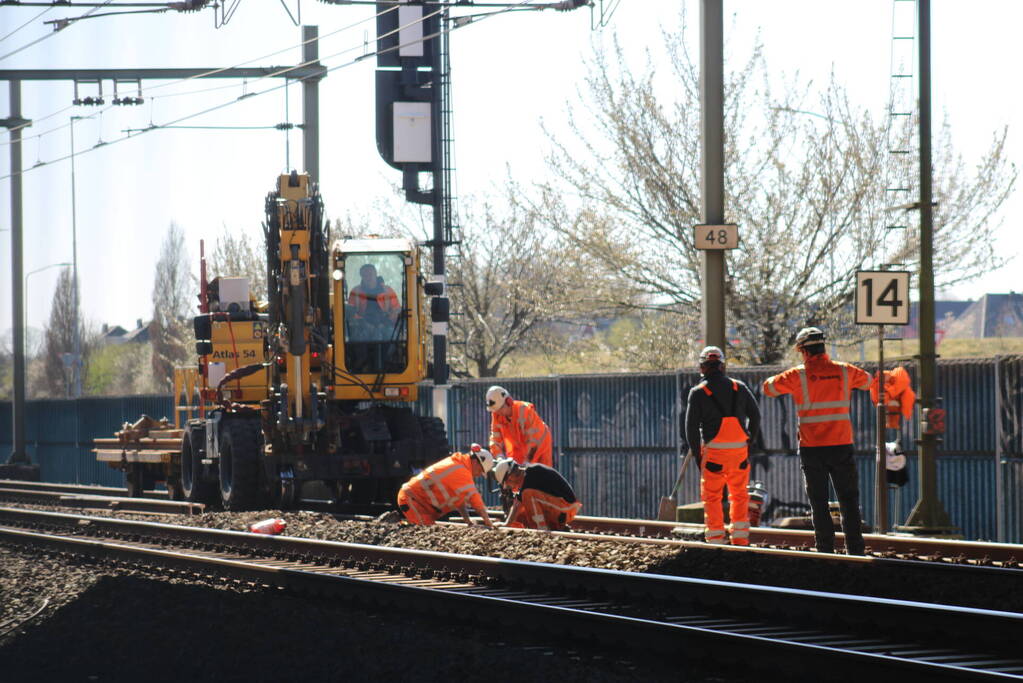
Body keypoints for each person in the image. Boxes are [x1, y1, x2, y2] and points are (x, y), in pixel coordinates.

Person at [762, 327, 871, 555]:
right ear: (824, 347)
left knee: (818, 502)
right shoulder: (844, 371)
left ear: (803, 350)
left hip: (812, 448)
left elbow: (768, 388)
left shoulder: (797, 375)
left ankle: (825, 549)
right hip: (841, 445)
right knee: (848, 500)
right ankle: (856, 550)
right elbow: (869, 381)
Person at [684, 346, 761, 545]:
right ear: (722, 366)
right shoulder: (740, 387)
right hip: (739, 452)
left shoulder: (698, 392)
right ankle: (740, 539)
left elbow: (691, 428)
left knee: (712, 497)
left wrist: (698, 456)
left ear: (702, 368)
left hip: (714, 454)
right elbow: (756, 416)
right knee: (739, 494)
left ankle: (716, 539)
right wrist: (749, 441)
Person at [396, 447, 495, 527]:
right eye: (480, 471)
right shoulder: (462, 471)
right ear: (476, 462)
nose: (478, 475)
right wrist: (487, 521)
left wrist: (468, 521)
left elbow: (460, 502)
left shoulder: (459, 465)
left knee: (429, 531)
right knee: (426, 532)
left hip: (418, 501)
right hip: (412, 500)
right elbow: (474, 498)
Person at [492, 458, 581, 532]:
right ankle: (551, 527)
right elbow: (516, 504)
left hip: (566, 507)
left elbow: (519, 502)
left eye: (507, 484)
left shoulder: (531, 474)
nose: (509, 487)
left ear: (510, 477)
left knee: (527, 495)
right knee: (521, 511)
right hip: (560, 506)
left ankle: (541, 531)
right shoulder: (527, 476)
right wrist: (507, 524)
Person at [485, 385, 553, 468]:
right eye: (496, 410)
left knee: (542, 473)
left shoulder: (524, 411)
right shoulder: (496, 414)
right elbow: (495, 438)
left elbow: (534, 441)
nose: (498, 413)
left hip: (541, 444)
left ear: (508, 402)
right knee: (515, 473)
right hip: (519, 447)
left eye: (500, 409)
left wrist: (526, 463)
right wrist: (500, 457)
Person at [347, 263, 401, 340]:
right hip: (363, 326)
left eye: (370, 274)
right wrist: (363, 323)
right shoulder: (355, 292)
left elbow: (396, 310)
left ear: (375, 274)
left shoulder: (388, 291)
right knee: (356, 339)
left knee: (393, 336)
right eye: (365, 275)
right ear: (361, 276)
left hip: (385, 324)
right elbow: (351, 313)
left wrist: (385, 322)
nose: (368, 277)